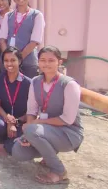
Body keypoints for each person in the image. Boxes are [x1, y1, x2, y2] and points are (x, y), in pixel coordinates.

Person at [12, 46, 83, 185]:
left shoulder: (69, 84)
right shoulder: (35, 82)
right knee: (18, 152)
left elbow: (67, 119)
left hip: (69, 133)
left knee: (32, 129)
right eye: (43, 60)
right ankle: (48, 153)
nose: (46, 63)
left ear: (59, 62)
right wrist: (28, 132)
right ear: (38, 62)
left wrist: (35, 125)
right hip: (45, 130)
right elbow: (31, 111)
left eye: (51, 60)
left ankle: (59, 172)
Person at [0, 46, 31, 156]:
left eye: (13, 60)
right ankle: (1, 141)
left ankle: (8, 144)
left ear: (20, 61)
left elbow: (32, 111)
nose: (9, 64)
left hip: (22, 120)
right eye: (6, 61)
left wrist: (15, 121)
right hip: (4, 118)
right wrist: (8, 119)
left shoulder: (29, 83)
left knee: (15, 148)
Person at [0, 0, 45, 78]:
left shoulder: (37, 15)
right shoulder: (8, 15)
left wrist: (18, 59)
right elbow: (2, 39)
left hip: (28, 61)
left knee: (28, 89)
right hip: (8, 64)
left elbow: (35, 41)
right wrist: (8, 59)